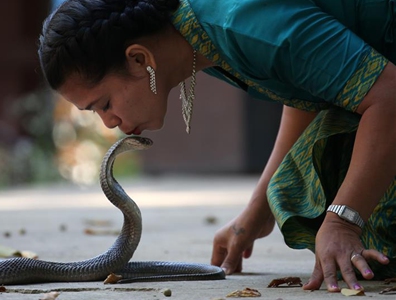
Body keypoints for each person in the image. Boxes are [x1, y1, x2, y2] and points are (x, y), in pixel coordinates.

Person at [38, 0, 396, 292]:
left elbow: (389, 96)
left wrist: (343, 221)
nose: (109, 123)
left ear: (138, 59)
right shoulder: (196, 35)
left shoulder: (239, 21)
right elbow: (304, 80)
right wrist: (258, 210)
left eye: (103, 104)